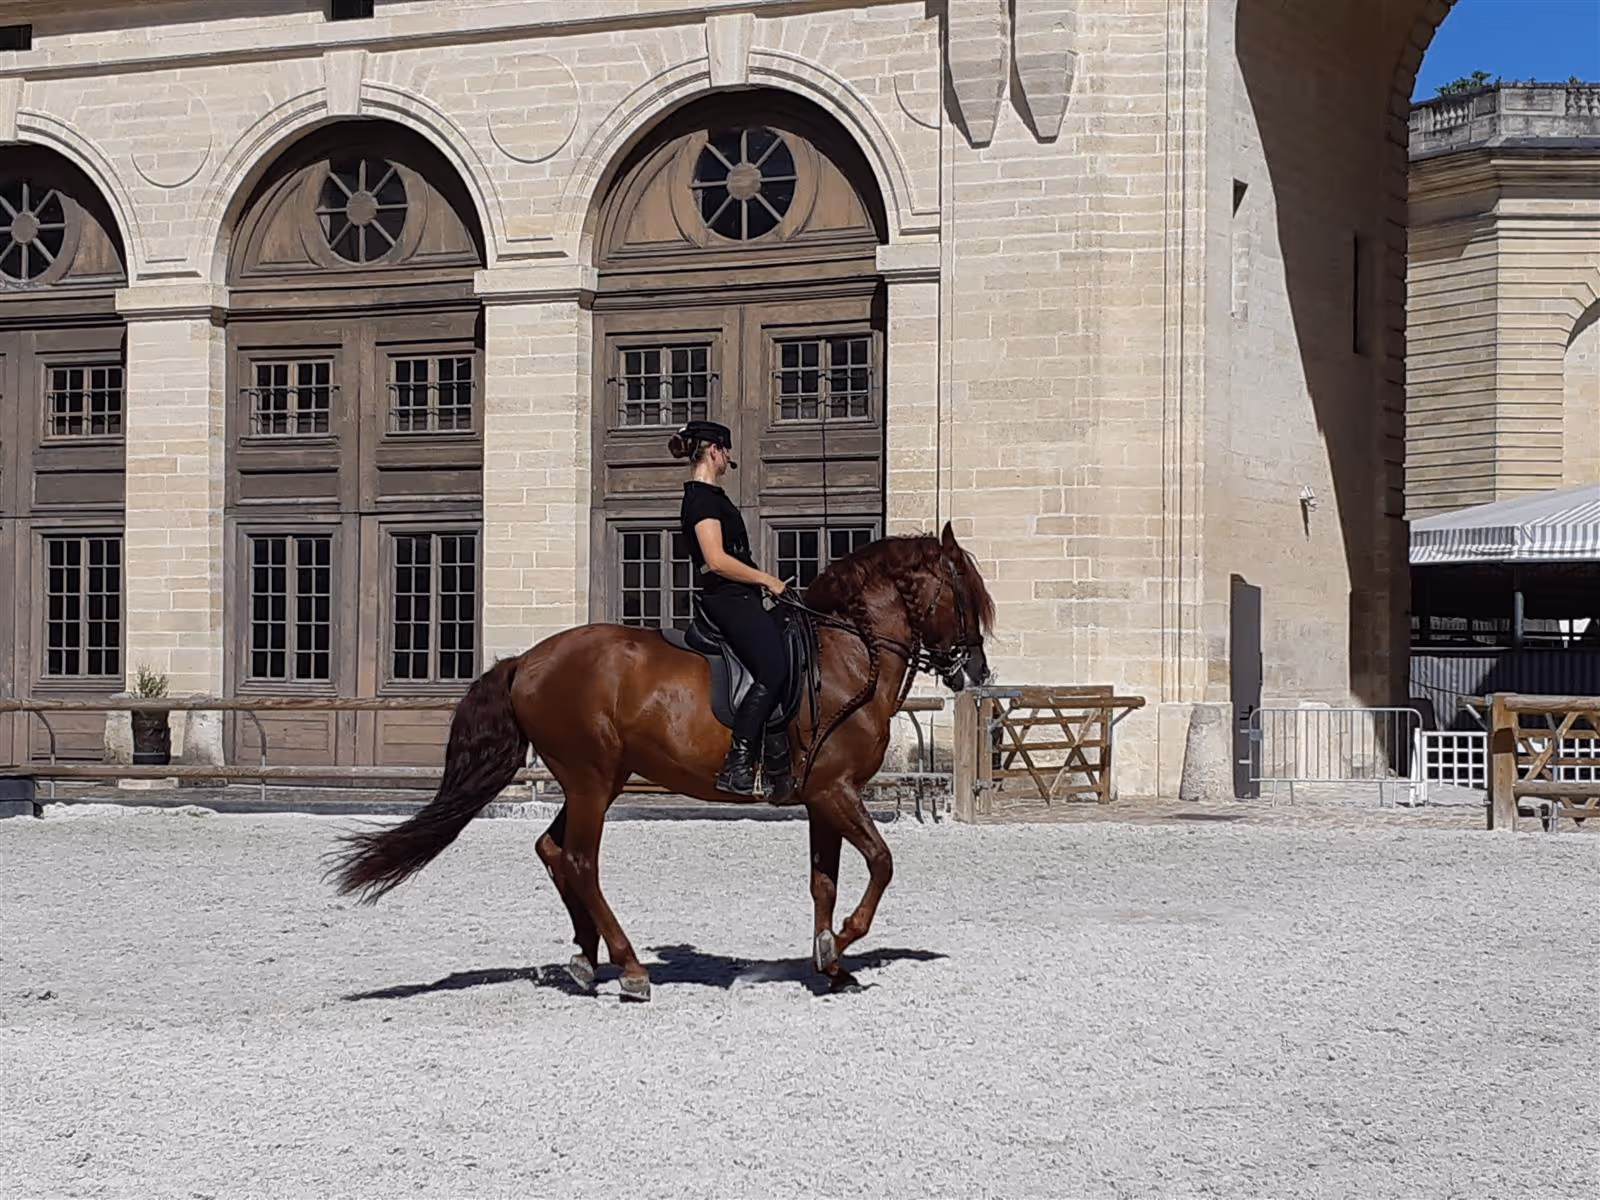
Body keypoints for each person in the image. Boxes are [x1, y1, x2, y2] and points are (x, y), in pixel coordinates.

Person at [668, 419, 793, 801]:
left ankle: (778, 759)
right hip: (727, 597)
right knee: (774, 668)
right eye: (727, 453)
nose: (729, 460)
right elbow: (717, 560)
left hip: (740, 596)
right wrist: (766, 579)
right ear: (714, 451)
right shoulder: (702, 500)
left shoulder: (714, 497)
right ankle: (738, 761)